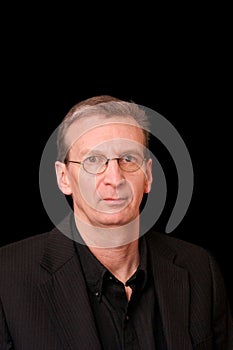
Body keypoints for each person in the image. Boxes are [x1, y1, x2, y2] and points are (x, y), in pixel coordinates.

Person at [0, 95, 232, 350]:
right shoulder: (6, 277)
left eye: (128, 159)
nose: (114, 178)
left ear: (148, 176)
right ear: (63, 177)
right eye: (93, 160)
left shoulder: (200, 269)